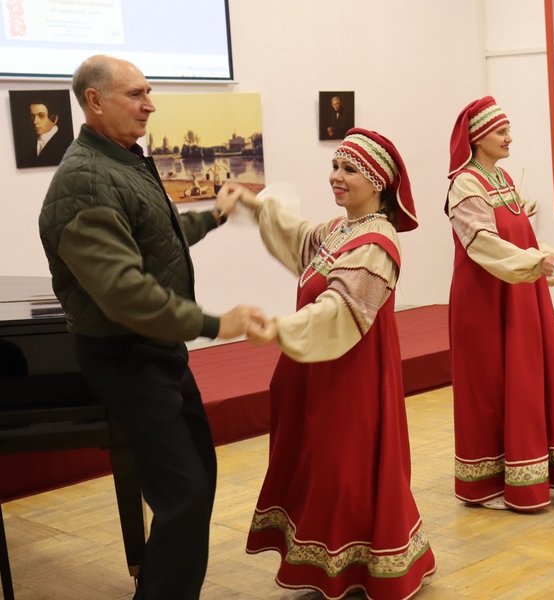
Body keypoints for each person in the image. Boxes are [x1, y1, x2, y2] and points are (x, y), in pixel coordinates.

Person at [37, 54, 263, 600]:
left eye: (148, 92)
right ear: (94, 100)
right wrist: (213, 322)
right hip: (126, 354)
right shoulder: (84, 180)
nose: (150, 104)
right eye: (136, 94)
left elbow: (152, 239)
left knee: (195, 481)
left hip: (156, 352)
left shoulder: (123, 162)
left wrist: (212, 216)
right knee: (183, 494)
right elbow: (124, 291)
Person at [231, 128, 436, 599]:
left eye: (349, 170)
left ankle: (364, 564)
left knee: (347, 468)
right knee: (323, 464)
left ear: (378, 182)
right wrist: (256, 204)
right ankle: (334, 564)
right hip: (322, 369)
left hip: (351, 376)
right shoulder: (343, 230)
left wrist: (281, 328)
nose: (336, 177)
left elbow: (340, 311)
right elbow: (301, 239)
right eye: (335, 167)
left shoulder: (377, 242)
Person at [446, 96, 554, 511]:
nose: (509, 139)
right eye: (502, 132)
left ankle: (535, 465)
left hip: (518, 294)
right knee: (492, 385)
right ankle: (492, 481)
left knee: (530, 376)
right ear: (479, 137)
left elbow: (522, 240)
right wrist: (536, 261)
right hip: (484, 301)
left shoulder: (501, 178)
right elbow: (483, 245)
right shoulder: (465, 183)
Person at [27, 99, 73, 166]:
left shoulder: (66, 143)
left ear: (54, 118)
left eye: (41, 116)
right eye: (33, 116)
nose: (35, 121)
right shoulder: (32, 143)